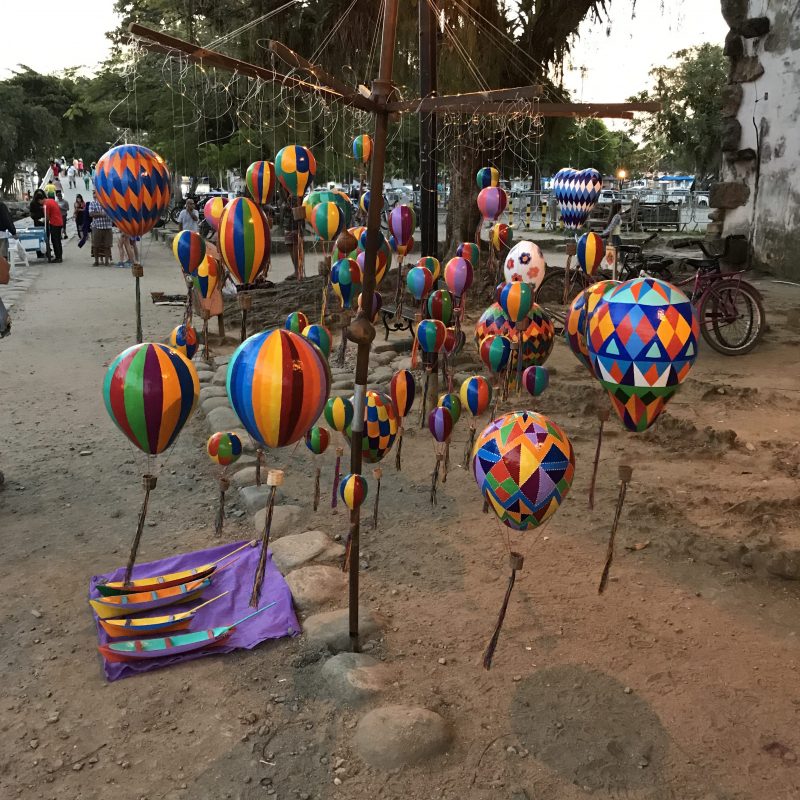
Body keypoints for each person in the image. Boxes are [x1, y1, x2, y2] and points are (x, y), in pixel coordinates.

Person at [87, 191, 113, 266]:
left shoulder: (108, 202)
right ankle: (96, 261)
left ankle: (107, 261)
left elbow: (113, 212)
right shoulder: (93, 203)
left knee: (108, 245)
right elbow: (91, 214)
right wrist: (102, 214)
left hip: (108, 226)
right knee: (95, 245)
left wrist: (98, 214)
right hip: (97, 226)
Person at [38, 193, 64, 262]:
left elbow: (47, 217)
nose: (40, 203)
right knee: (58, 240)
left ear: (40, 200)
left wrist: (43, 220)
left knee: (54, 240)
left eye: (39, 202)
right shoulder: (52, 200)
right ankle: (60, 255)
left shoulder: (45, 204)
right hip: (60, 221)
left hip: (54, 223)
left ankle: (58, 257)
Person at [0, 199, 17, 265]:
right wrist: (13, 232)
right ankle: (2, 273)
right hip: (1, 235)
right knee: (3, 256)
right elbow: (7, 220)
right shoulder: (1, 206)